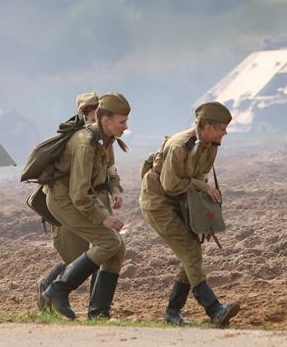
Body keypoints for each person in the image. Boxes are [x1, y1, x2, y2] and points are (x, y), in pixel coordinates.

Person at [138, 101, 240, 327]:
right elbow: (171, 184)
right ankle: (214, 310)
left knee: (190, 254)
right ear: (207, 127)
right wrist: (204, 188)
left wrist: (201, 221)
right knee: (191, 252)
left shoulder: (211, 145)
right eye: (222, 127)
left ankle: (172, 312)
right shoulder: (179, 146)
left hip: (180, 201)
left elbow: (197, 181)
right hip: (158, 203)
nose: (225, 132)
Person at [41, 92, 131, 320]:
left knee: (115, 246)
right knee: (105, 242)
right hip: (66, 201)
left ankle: (98, 313)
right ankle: (56, 290)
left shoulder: (104, 140)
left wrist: (114, 192)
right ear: (105, 119)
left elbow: (109, 173)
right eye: (122, 122)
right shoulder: (85, 143)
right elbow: (78, 193)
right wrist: (104, 218)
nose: (126, 127)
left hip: (87, 199)